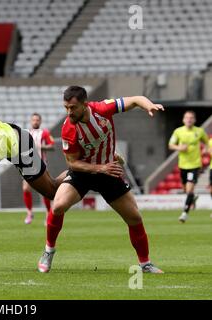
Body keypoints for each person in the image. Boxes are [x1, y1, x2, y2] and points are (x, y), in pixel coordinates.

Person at [37, 86, 165, 274]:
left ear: (84, 104)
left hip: (108, 172)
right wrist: (99, 167)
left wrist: (149, 105)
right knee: (58, 206)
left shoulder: (103, 109)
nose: (69, 112)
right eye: (66, 107)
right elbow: (72, 163)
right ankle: (48, 251)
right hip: (83, 173)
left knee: (134, 217)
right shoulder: (68, 129)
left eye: (72, 107)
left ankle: (145, 264)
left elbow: (136, 98)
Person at [168, 111, 209, 223]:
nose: (189, 120)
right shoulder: (178, 131)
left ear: (194, 120)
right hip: (183, 165)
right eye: (187, 118)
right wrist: (179, 148)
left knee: (190, 188)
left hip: (195, 165)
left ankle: (184, 213)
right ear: (183, 120)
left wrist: (205, 148)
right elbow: (171, 145)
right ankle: (192, 198)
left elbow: (206, 142)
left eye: (191, 118)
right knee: (186, 190)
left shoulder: (199, 131)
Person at [23, 113, 55, 225]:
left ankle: (48, 214)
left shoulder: (44, 133)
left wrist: (41, 147)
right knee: (26, 188)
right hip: (28, 165)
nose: (35, 122)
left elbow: (52, 145)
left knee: (45, 191)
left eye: (37, 120)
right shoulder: (27, 133)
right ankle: (29, 213)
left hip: (41, 165)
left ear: (40, 121)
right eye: (33, 120)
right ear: (31, 121)